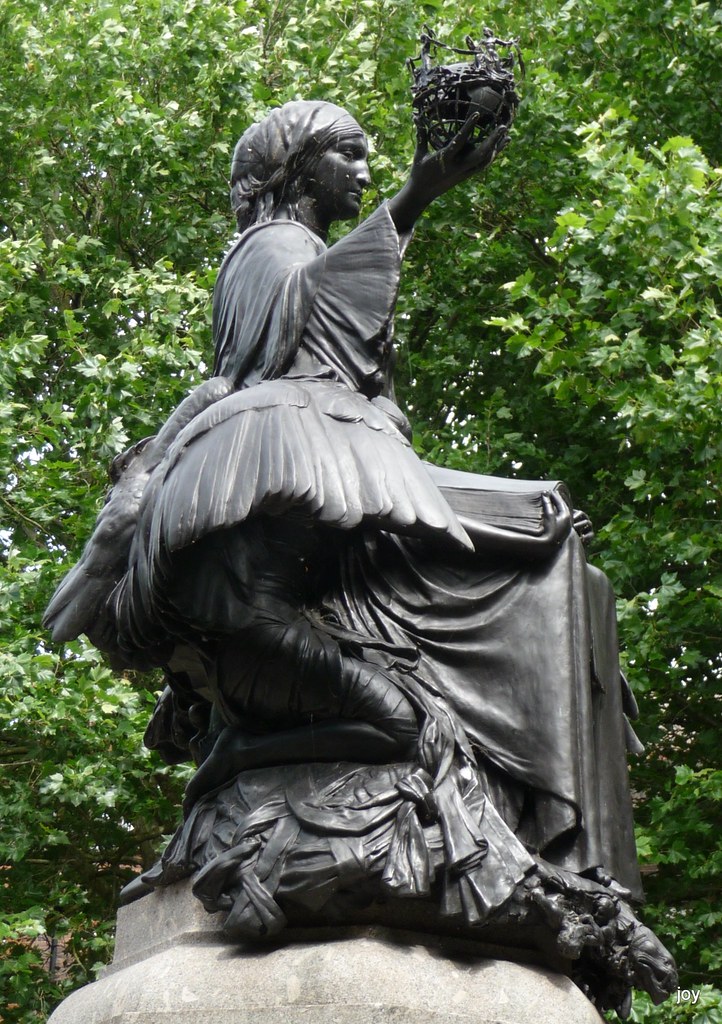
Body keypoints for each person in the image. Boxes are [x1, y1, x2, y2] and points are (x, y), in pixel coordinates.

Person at [46, 99, 643, 933]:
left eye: (372, 162)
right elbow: (319, 371)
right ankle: (521, 846)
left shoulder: (299, 341)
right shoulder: (275, 253)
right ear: (300, 166)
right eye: (351, 155)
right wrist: (415, 195)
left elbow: (359, 451)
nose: (363, 173)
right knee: (550, 572)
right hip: (307, 575)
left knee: (565, 563)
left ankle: (550, 860)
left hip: (331, 548)